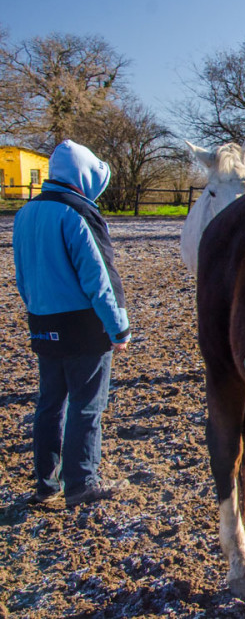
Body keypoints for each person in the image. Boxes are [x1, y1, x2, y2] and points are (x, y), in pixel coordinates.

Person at [13, 140, 131, 508]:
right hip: (82, 326)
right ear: (83, 176)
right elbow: (99, 279)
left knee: (50, 404)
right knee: (87, 404)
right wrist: (119, 327)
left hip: (42, 321)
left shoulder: (25, 213)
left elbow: (21, 275)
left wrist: (37, 311)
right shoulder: (78, 213)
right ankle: (82, 482)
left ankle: (46, 484)